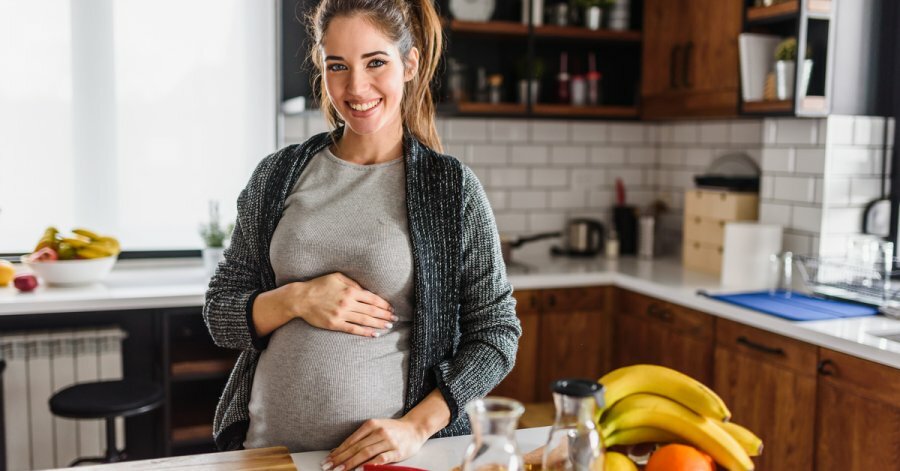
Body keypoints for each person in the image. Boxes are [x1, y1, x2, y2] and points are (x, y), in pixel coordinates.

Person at [202, 0, 520, 467]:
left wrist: (416, 427)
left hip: (388, 461)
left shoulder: (450, 189)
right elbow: (219, 313)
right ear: (322, 68)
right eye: (338, 66)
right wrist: (297, 298)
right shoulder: (277, 176)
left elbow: (497, 333)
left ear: (408, 64)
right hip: (266, 452)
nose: (356, 87)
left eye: (375, 62)